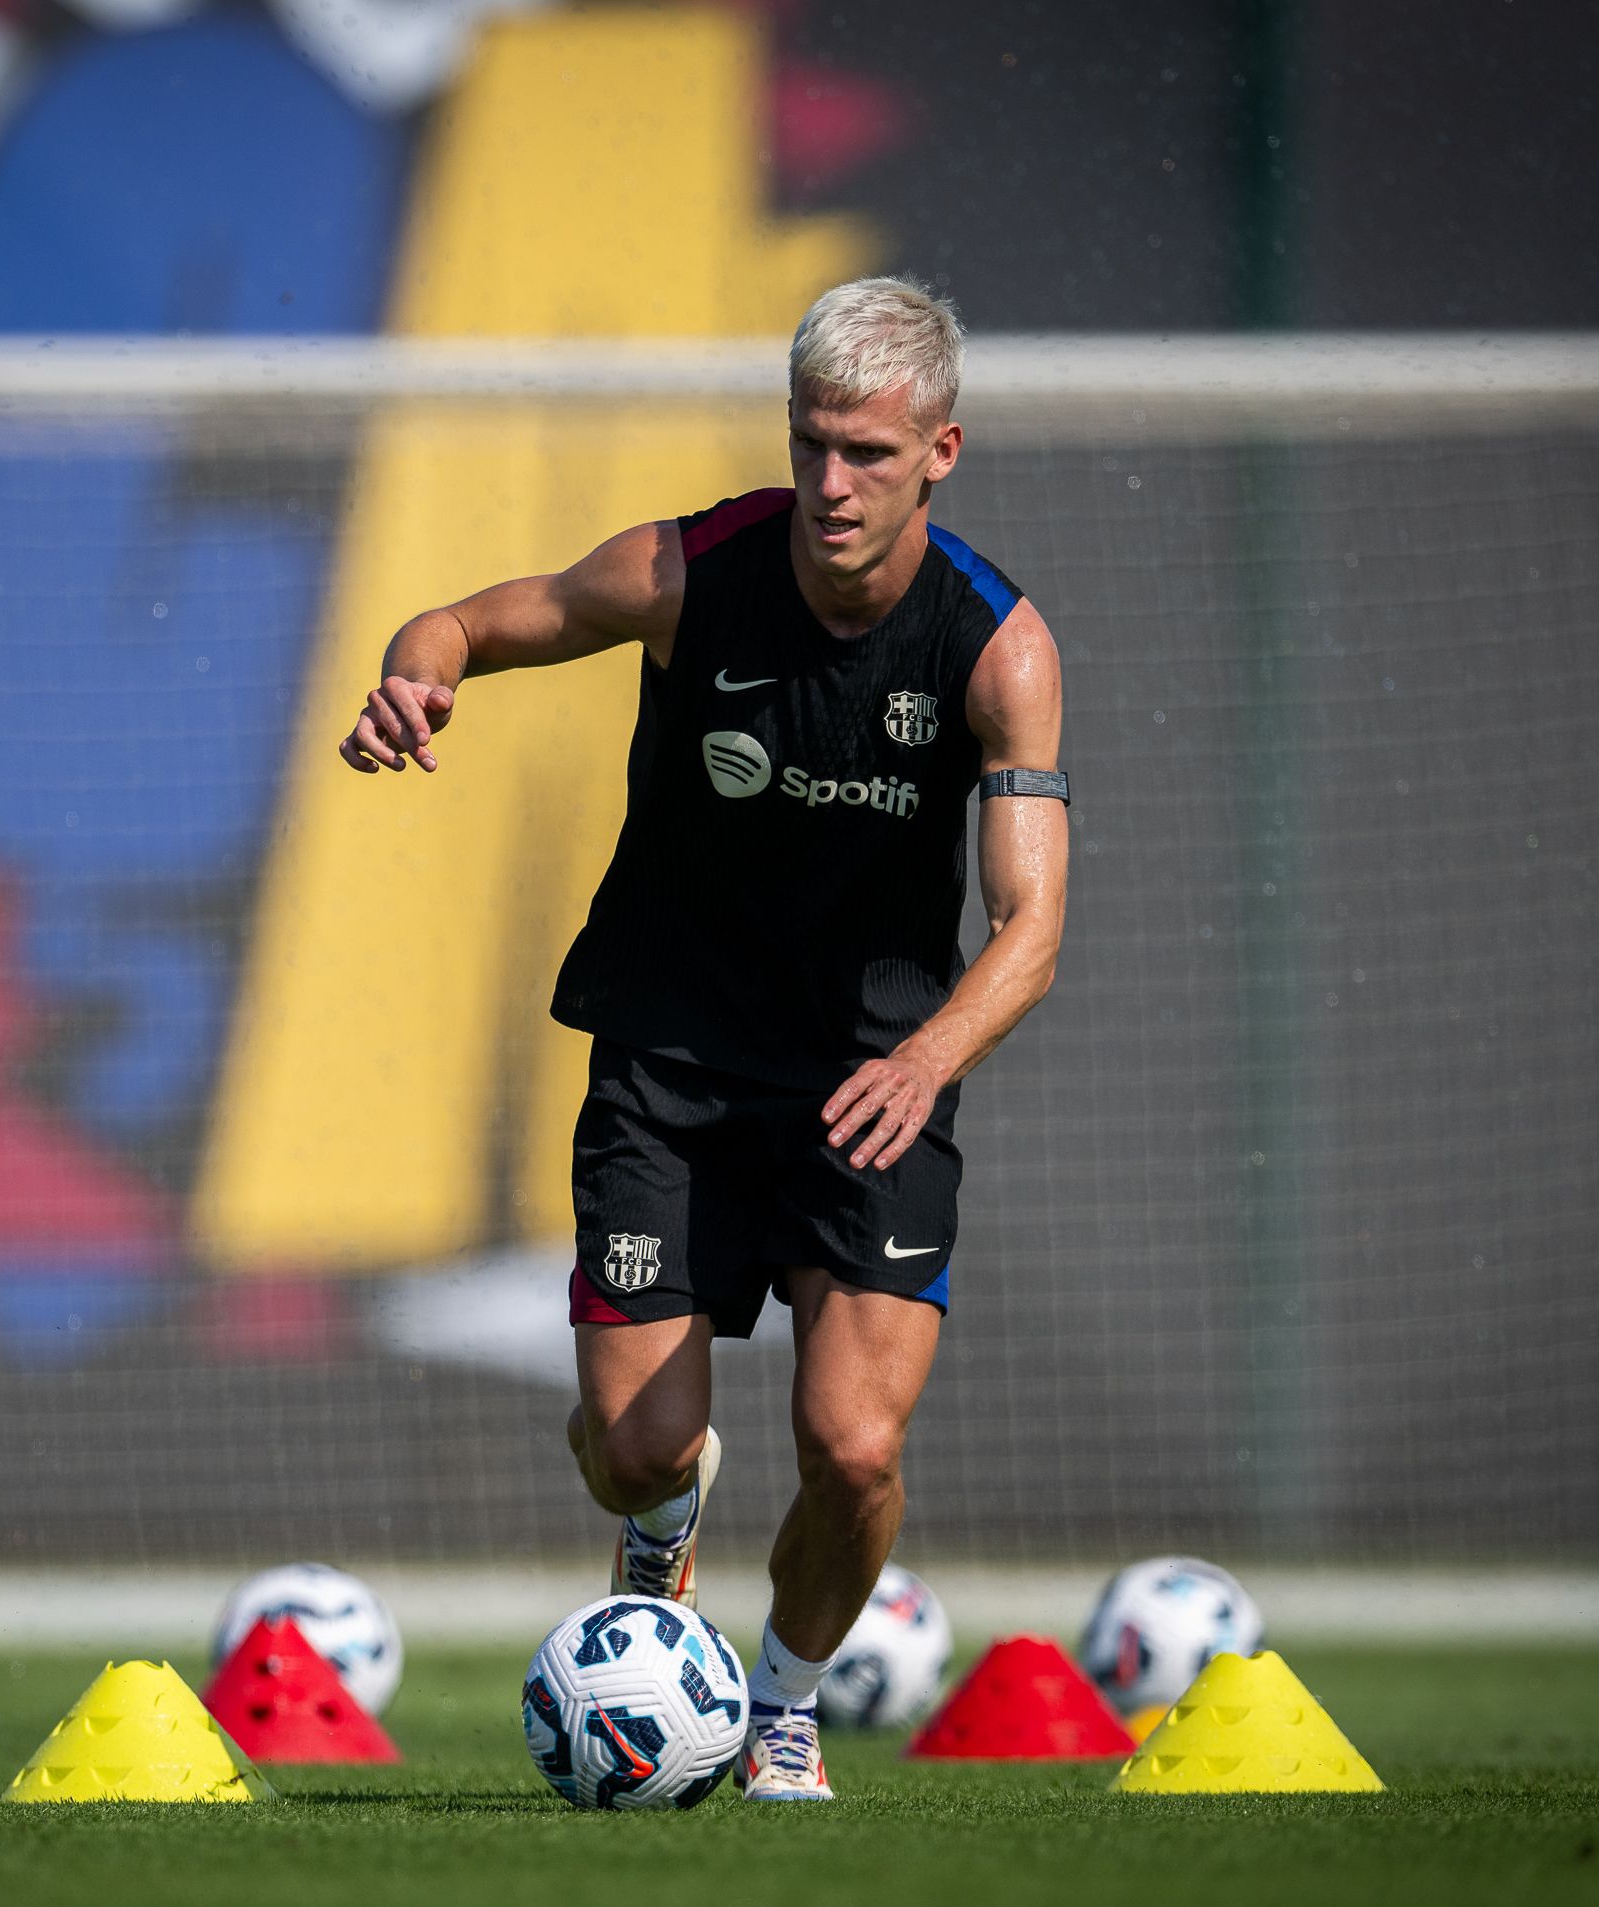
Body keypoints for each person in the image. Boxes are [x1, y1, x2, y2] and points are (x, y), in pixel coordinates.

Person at [338, 275, 1067, 1801]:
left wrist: (929, 1058)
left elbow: (1031, 927)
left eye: (868, 452)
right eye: (811, 444)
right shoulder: (687, 572)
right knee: (639, 1450)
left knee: (856, 1451)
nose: (830, 485)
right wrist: (422, 676)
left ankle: (786, 1709)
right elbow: (466, 621)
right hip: (668, 1066)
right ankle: (660, 1520)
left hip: (869, 1088)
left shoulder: (996, 652)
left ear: (943, 449)